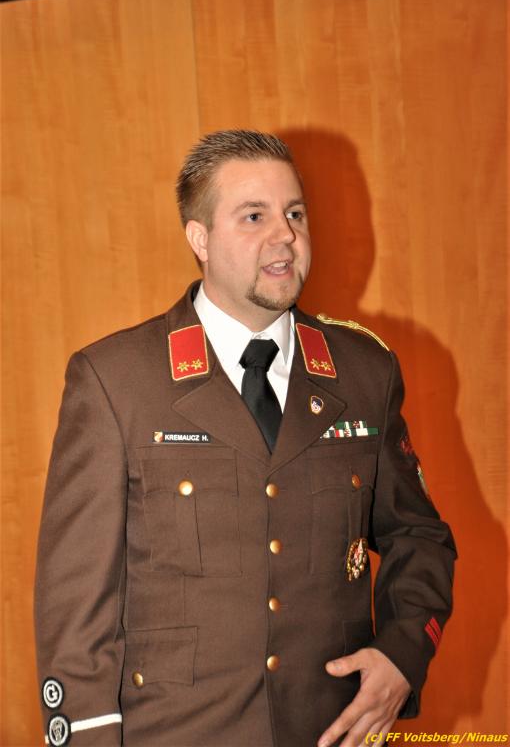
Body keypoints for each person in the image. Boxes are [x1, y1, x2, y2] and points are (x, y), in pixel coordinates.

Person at [35, 130, 456, 747]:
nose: (284, 235)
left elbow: (419, 537)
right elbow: (76, 606)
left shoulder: (365, 373)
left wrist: (402, 654)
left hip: (330, 730)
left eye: (295, 214)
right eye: (254, 216)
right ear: (200, 238)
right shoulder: (117, 381)